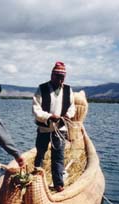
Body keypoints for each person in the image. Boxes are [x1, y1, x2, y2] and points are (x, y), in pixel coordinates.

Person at [32, 61, 76, 192]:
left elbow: (72, 107)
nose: (60, 79)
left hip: (60, 130)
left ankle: (58, 183)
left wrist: (67, 115)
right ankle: (36, 180)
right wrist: (50, 116)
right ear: (52, 75)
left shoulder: (68, 90)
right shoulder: (42, 89)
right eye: (57, 76)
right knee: (40, 153)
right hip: (44, 129)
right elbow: (36, 109)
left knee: (58, 156)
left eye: (62, 76)